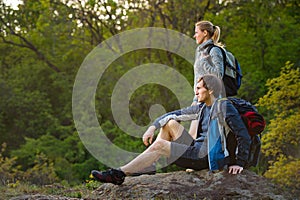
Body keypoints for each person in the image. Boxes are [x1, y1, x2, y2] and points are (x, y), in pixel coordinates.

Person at [91, 74, 251, 185]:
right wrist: (152, 127)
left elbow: (242, 134)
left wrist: (239, 162)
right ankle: (147, 166)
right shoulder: (203, 108)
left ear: (210, 90)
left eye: (199, 88)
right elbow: (172, 115)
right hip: (196, 148)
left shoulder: (223, 106)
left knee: (160, 145)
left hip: (206, 157)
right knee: (170, 124)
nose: (196, 92)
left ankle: (118, 174)